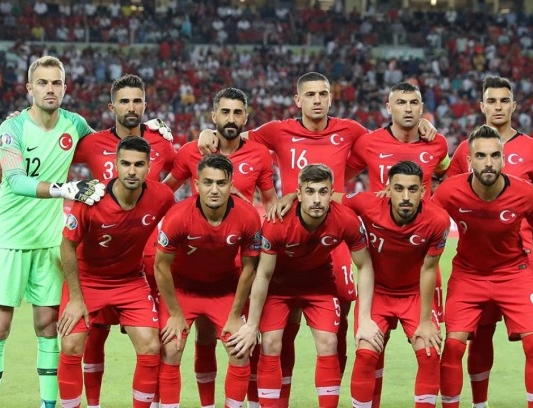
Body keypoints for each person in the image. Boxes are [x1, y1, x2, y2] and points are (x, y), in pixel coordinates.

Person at [198, 72, 430, 405]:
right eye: (310, 94)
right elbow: (234, 133)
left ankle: (337, 390)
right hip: (293, 231)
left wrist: (422, 126)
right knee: (282, 329)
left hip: (335, 238)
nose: (317, 100)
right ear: (298, 100)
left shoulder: (351, 130)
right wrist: (207, 132)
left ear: (331, 98)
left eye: (323, 94)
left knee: (338, 326)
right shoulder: (277, 131)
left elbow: (385, 142)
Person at [0, 56, 105, 408]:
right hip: (8, 240)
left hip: (49, 243)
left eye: (56, 83)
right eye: (43, 83)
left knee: (49, 328)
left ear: (65, 88)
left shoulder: (74, 124)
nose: (50, 89)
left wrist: (147, 128)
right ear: (29, 88)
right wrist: (65, 189)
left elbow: (107, 150)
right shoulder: (12, 127)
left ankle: (48, 405)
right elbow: (16, 181)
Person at [227, 164, 382, 408]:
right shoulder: (277, 222)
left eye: (323, 192)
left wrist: (365, 319)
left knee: (328, 342)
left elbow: (364, 266)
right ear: (299, 194)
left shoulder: (346, 220)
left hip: (319, 283)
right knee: (270, 343)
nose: (317, 199)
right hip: (279, 285)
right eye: (310, 192)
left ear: (331, 194)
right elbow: (263, 275)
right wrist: (252, 325)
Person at [446, 76, 533, 408]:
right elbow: (448, 192)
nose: (498, 107)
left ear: (513, 105)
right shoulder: (466, 149)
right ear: (482, 106)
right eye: (491, 101)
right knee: (479, 335)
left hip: (523, 259)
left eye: (504, 100)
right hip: (476, 260)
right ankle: (479, 402)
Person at [162, 87, 276, 408]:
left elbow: (271, 206)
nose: (230, 118)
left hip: (236, 267)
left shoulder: (259, 154)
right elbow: (164, 192)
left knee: (242, 344)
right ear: (213, 116)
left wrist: (251, 220)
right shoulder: (191, 151)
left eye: (237, 113)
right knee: (199, 339)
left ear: (246, 118)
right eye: (224, 112)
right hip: (193, 261)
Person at [70, 73, 176, 408]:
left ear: (145, 105)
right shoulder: (91, 143)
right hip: (98, 258)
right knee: (93, 337)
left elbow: (182, 172)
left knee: (155, 342)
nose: (131, 107)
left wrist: (204, 135)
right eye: (124, 101)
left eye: (137, 101)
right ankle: (93, 403)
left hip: (145, 262)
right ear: (112, 106)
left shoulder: (162, 143)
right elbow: (53, 155)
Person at [345, 82, 450, 404]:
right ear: (388, 107)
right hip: (378, 265)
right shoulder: (368, 142)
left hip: (418, 267)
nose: (407, 108)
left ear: (422, 108)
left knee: (429, 350)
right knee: (369, 352)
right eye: (400, 102)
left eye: (413, 103)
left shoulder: (437, 144)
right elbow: (339, 181)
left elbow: (447, 172)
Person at [154, 155, 262, 408]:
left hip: (223, 291)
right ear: (196, 184)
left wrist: (235, 315)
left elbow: (250, 268)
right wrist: (175, 314)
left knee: (240, 351)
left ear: (231, 185)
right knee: (172, 348)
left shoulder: (248, 216)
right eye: (208, 182)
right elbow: (161, 266)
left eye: (221, 183)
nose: (214, 190)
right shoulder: (178, 216)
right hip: (182, 290)